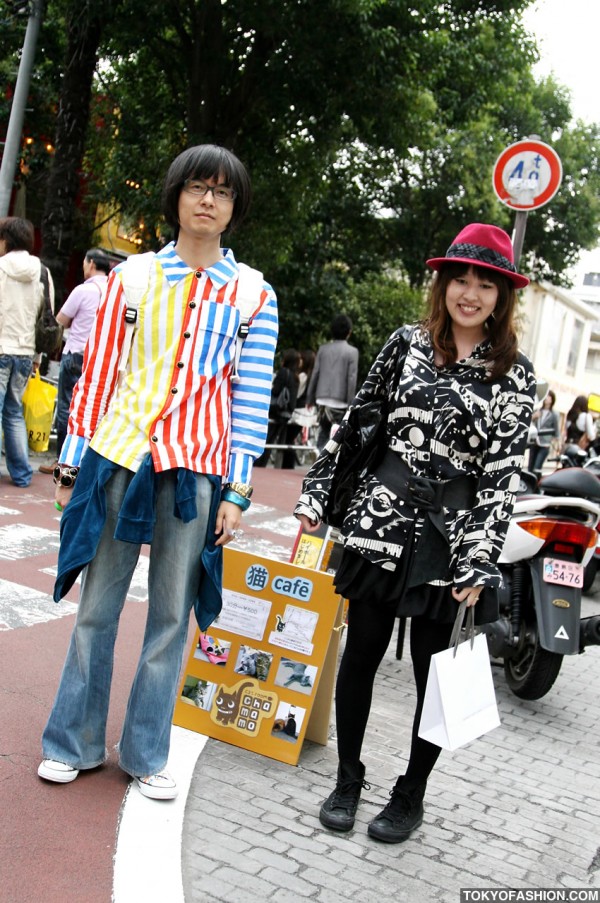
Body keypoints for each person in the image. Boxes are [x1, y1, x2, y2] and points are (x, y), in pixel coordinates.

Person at [37, 144, 278, 800]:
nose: (208, 200)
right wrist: (71, 460)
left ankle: (146, 752)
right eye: (198, 187)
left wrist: (238, 488)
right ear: (175, 195)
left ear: (234, 208)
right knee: (97, 606)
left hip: (195, 470)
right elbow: (100, 376)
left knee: (171, 617)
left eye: (222, 192)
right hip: (121, 454)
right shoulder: (134, 277)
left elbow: (248, 401)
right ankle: (72, 741)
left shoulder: (254, 294)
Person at [295, 223, 535, 843]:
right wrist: (318, 493)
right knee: (362, 655)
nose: (471, 293)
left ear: (502, 297)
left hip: (451, 541)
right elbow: (357, 425)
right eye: (462, 278)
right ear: (443, 282)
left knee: (433, 673)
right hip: (381, 519)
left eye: (487, 283)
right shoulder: (405, 344)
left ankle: (410, 795)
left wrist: (480, 561)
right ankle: (348, 779)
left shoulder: (514, 373)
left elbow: (502, 475)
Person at [39, 248, 111, 474]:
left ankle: (63, 461)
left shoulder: (83, 290)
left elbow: (61, 319)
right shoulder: (114, 290)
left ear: (90, 264)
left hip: (76, 355)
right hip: (100, 359)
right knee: (95, 410)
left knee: (67, 409)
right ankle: (87, 463)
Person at [0, 217, 52, 487]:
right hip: (24, 352)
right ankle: (21, 474)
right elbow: (45, 319)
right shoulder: (41, 271)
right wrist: (37, 358)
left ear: (6, 240)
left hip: (1, 348)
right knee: (13, 411)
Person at [306, 314, 359, 450]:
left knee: (323, 432)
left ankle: (318, 457)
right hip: (340, 401)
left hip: (321, 399)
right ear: (349, 332)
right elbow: (351, 379)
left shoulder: (323, 349)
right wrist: (350, 404)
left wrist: (309, 398)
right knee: (338, 436)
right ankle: (329, 465)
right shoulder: (352, 352)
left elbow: (315, 374)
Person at [254, 348, 301, 467]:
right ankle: (266, 463)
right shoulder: (296, 376)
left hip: (276, 410)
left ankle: (259, 463)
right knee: (274, 440)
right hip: (286, 412)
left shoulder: (283, 372)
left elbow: (276, 391)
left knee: (267, 438)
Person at [281, 348, 316, 469]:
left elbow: (297, 394)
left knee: (288, 439)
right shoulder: (312, 377)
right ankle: (288, 465)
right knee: (291, 439)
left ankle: (288, 465)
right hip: (307, 413)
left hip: (298, 412)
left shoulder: (302, 376)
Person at [527, 389, 560, 477]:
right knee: (530, 467)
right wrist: (534, 416)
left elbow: (557, 431)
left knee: (537, 467)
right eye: (546, 396)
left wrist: (557, 445)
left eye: (549, 397)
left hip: (545, 444)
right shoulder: (538, 410)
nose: (547, 399)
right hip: (534, 441)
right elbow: (528, 422)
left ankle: (536, 486)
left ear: (552, 399)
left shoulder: (554, 414)